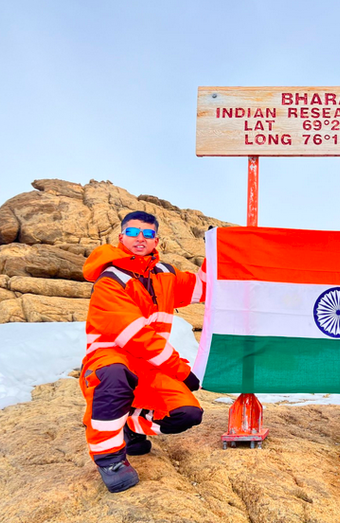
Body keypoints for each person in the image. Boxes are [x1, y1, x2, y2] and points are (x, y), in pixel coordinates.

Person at [80, 211, 206, 492]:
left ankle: (131, 425)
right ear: (121, 237)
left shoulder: (165, 274)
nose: (141, 238)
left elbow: (205, 288)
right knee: (113, 378)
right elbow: (136, 336)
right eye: (134, 232)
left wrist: (216, 250)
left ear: (156, 240)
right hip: (111, 361)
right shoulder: (110, 280)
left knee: (188, 414)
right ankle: (110, 459)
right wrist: (182, 371)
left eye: (148, 234)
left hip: (150, 367)